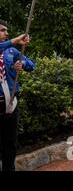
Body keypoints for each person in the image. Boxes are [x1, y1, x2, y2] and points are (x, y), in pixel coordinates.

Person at [0, 20, 34, 171]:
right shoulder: (6, 46)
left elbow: (31, 64)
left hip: (10, 103)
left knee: (10, 143)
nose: (6, 33)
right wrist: (14, 40)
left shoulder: (11, 51)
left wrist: (21, 65)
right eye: (2, 30)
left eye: (6, 30)